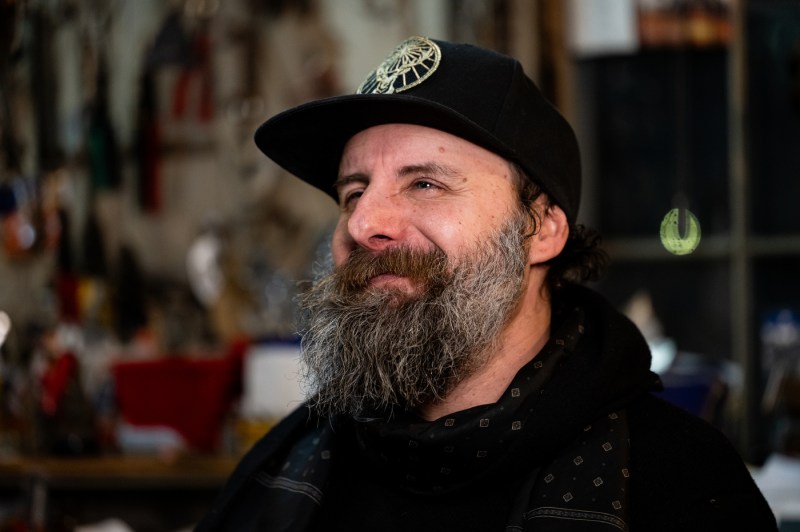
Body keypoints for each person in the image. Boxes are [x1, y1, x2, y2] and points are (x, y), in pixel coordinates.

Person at [196, 36, 777, 531]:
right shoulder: (281, 470)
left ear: (542, 230)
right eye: (353, 192)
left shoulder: (679, 486)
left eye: (425, 183)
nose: (362, 223)